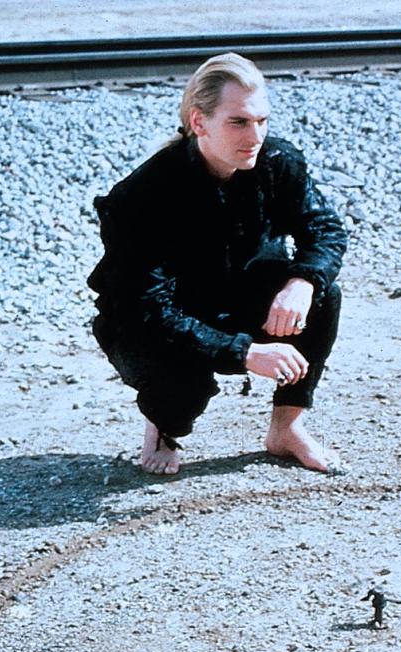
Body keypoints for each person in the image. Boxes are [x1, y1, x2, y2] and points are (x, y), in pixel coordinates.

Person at [87, 52, 347, 475]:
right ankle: (164, 426)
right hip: (151, 321)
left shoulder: (277, 163)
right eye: (239, 122)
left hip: (235, 294)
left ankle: (286, 429)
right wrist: (244, 352)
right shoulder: (143, 195)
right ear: (199, 122)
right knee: (183, 384)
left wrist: (302, 281)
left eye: (262, 120)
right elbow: (147, 309)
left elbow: (325, 229)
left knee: (322, 295)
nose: (255, 136)